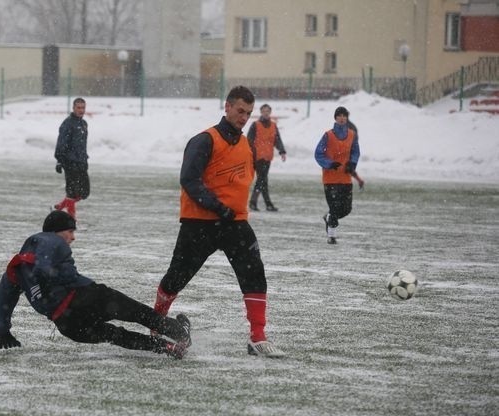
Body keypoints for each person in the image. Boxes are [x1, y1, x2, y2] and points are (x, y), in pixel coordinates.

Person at [152, 85, 285, 358]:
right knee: (176, 277)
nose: (244, 117)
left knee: (254, 274)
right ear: (227, 107)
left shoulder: (246, 144)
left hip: (235, 224)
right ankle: (156, 322)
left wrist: (234, 209)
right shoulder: (204, 140)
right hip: (200, 223)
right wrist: (217, 206)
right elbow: (189, 180)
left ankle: (257, 338)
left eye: (248, 113)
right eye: (239, 111)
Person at [0, 210, 192, 359]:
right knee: (137, 312)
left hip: (66, 323)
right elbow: (44, 262)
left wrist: (3, 331)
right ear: (56, 231)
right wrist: (47, 271)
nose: (72, 237)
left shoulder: (16, 269)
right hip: (85, 298)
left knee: (117, 336)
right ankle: (180, 334)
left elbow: (3, 297)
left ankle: (167, 348)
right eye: (70, 231)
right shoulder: (50, 240)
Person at [314, 106, 361, 245]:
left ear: (347, 118)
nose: (342, 118)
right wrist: (329, 164)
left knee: (346, 209)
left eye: (344, 115)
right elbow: (318, 154)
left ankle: (328, 217)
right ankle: (331, 236)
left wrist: (352, 163)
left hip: (345, 178)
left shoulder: (352, 135)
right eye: (339, 115)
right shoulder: (328, 135)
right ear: (335, 118)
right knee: (334, 208)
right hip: (330, 179)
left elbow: (355, 152)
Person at [53, 97, 90, 219]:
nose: (81, 110)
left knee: (84, 192)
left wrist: (85, 159)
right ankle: (71, 220)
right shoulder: (68, 123)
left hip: (81, 161)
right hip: (69, 161)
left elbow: (82, 145)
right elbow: (61, 142)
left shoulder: (84, 124)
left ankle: (60, 206)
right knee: (72, 191)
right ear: (73, 108)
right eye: (78, 107)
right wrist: (59, 160)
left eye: (83, 108)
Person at [246, 103, 287, 211]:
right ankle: (255, 202)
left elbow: (277, 140)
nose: (266, 113)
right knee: (262, 179)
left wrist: (282, 151)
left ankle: (266, 204)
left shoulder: (273, 126)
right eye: (264, 111)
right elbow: (248, 141)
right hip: (257, 157)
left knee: (263, 180)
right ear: (261, 112)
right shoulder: (255, 125)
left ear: (270, 112)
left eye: (267, 111)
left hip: (268, 157)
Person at [346, 117, 365, 191]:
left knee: (347, 168)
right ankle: (359, 181)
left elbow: (354, 138)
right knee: (348, 168)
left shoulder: (348, 126)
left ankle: (359, 181)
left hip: (349, 150)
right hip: (350, 149)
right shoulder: (350, 125)